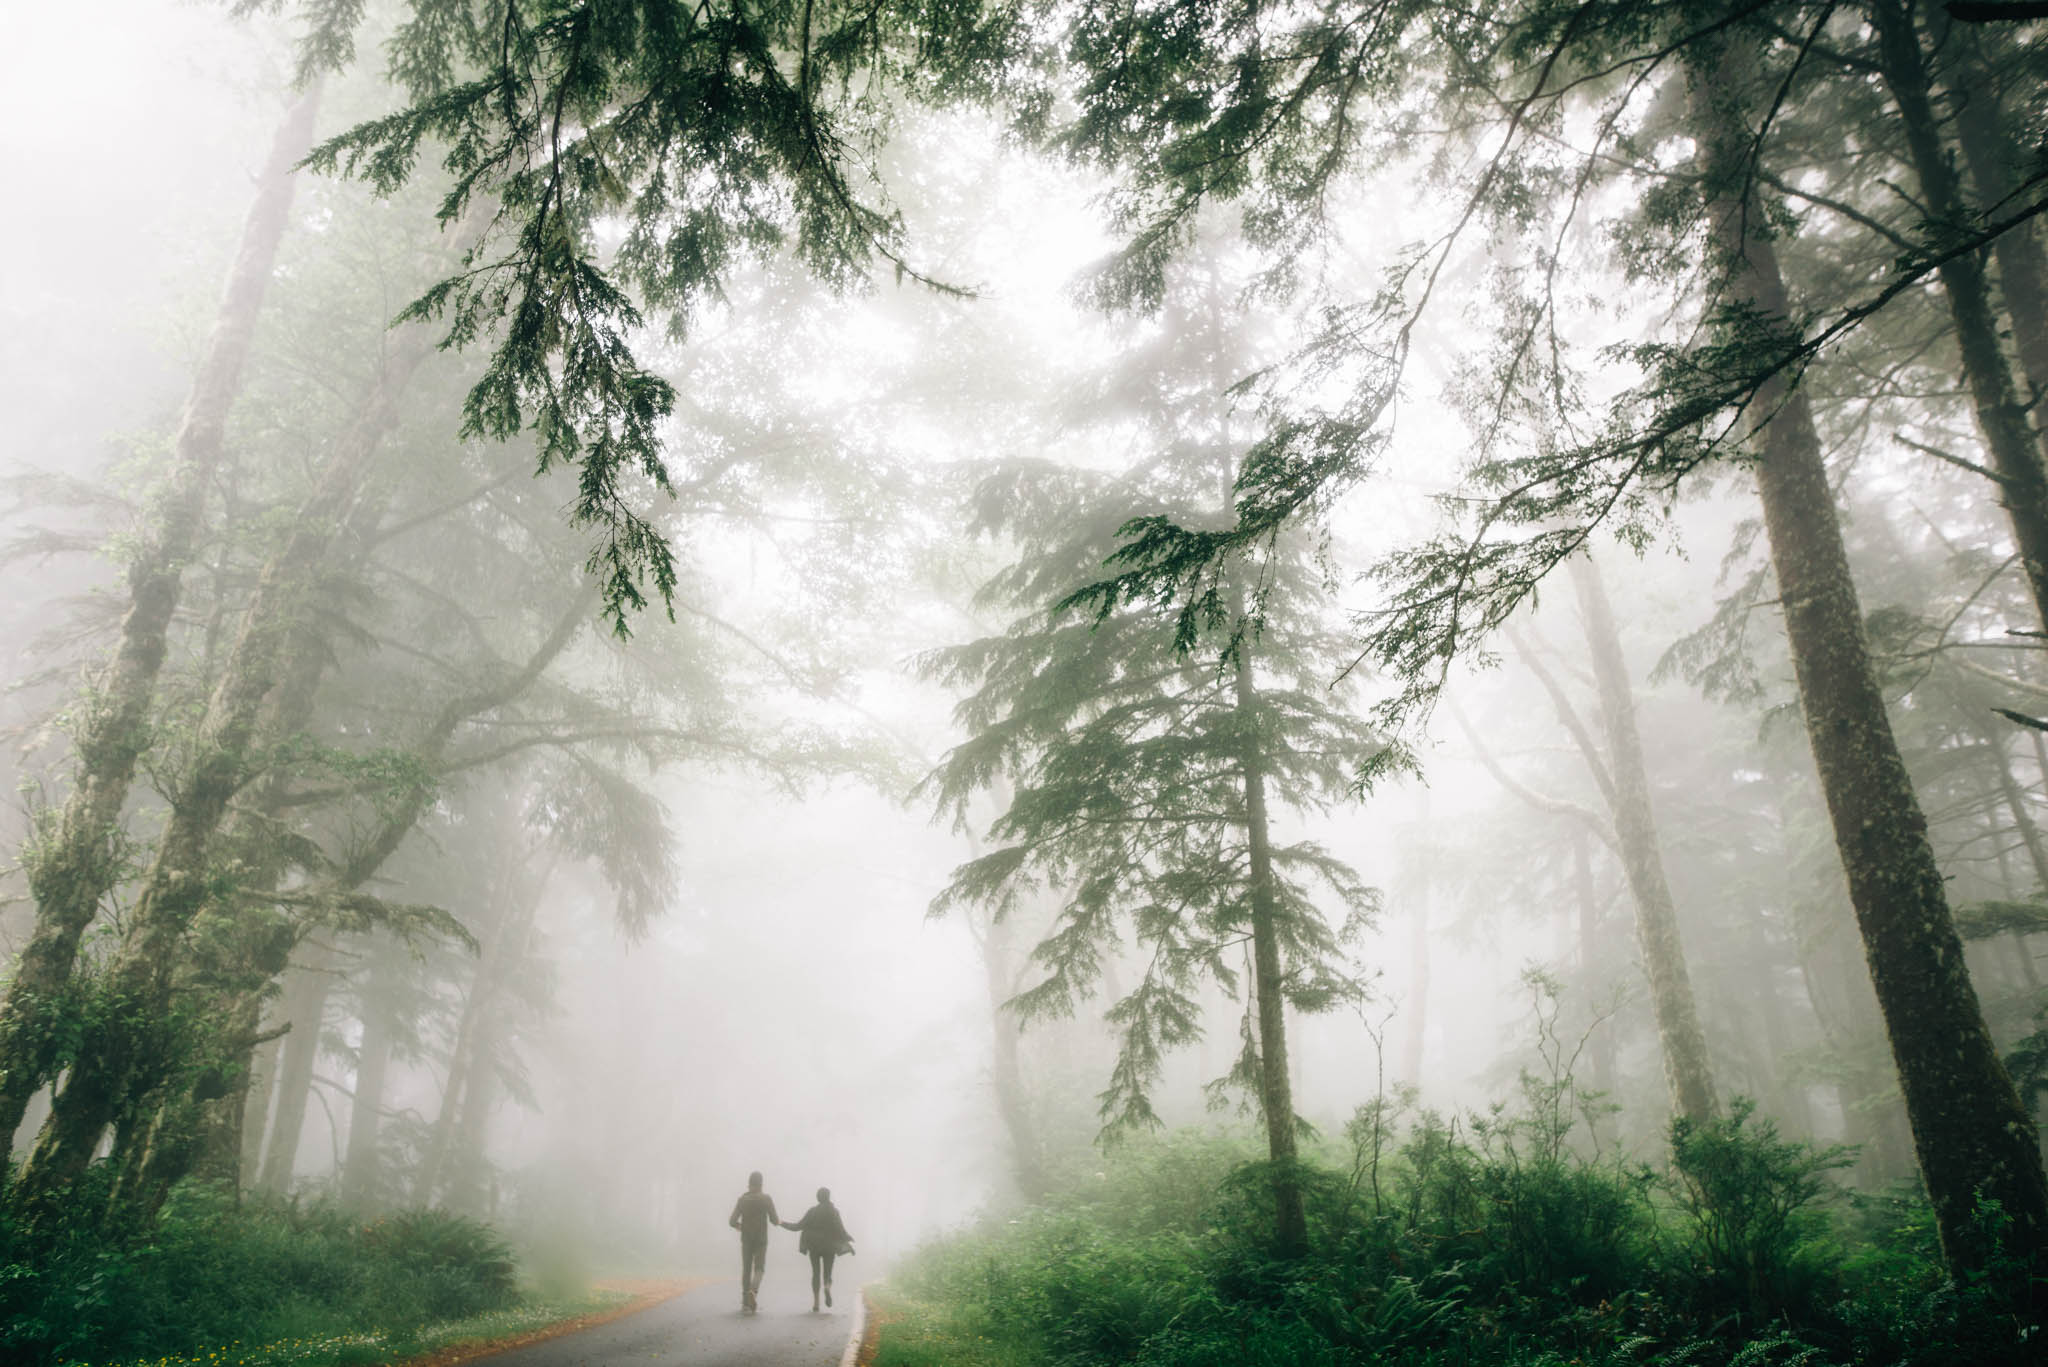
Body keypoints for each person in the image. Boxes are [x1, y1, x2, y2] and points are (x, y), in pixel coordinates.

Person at [781, 1186, 854, 1313]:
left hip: (814, 1246)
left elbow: (798, 1226)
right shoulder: (833, 1211)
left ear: (818, 1197)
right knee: (827, 1272)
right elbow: (840, 1230)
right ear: (828, 1197)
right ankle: (827, 1286)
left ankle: (816, 1303)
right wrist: (849, 1242)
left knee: (815, 1273)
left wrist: (782, 1223)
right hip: (829, 1246)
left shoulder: (812, 1212)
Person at [727, 1171, 780, 1313]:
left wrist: (740, 1227)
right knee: (759, 1268)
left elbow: (732, 1221)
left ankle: (745, 1302)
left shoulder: (742, 1199)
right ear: (761, 1184)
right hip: (761, 1239)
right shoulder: (766, 1199)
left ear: (749, 1184)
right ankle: (753, 1290)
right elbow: (774, 1220)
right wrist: (779, 1221)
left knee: (746, 1268)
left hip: (746, 1238)